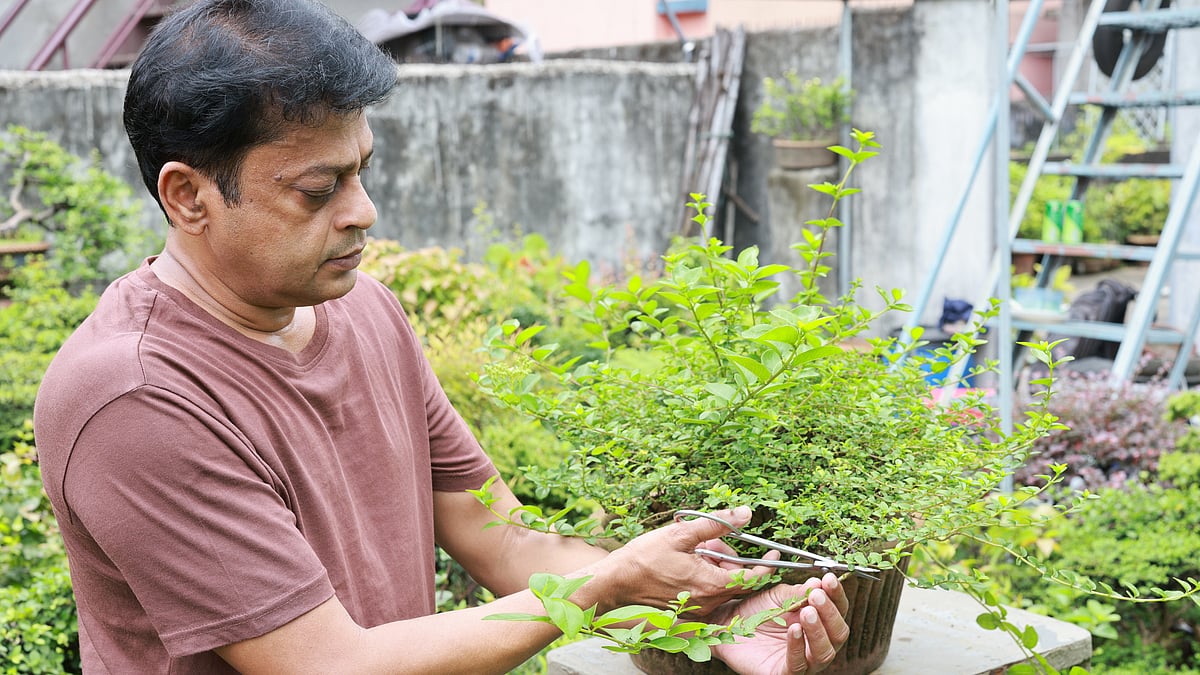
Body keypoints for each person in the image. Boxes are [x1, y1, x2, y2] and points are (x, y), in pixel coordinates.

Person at [32, 1, 850, 673]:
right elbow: (328, 666)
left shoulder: (368, 313)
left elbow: (505, 541)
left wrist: (704, 601)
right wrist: (607, 585)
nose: (362, 210)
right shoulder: (135, 396)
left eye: (361, 169)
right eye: (319, 189)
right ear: (189, 196)